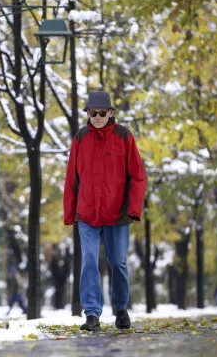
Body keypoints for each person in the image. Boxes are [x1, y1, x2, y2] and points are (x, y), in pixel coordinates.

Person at [63, 91, 147, 331]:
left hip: (116, 214)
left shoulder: (123, 136)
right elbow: (71, 177)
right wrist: (70, 212)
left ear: (110, 113)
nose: (97, 117)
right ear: (87, 114)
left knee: (118, 262)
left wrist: (133, 209)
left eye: (102, 113)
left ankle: (120, 308)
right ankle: (92, 314)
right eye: (92, 113)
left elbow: (138, 176)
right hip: (88, 213)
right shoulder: (80, 137)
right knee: (89, 260)